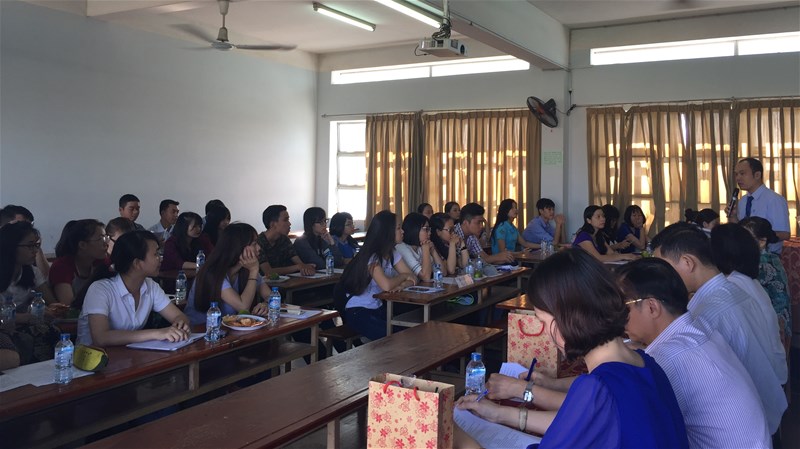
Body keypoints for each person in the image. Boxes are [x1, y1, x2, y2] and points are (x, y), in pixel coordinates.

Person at [455, 249, 688, 449]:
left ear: (565, 318)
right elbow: (580, 424)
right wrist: (499, 414)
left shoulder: (598, 388)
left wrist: (461, 441)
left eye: (544, 321)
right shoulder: (646, 363)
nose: (547, 334)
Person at [617, 258, 771, 449]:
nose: (618, 318)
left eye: (623, 307)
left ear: (652, 307)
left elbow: (635, 424)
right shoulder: (699, 327)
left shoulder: (666, 358)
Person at [651, 223, 788, 434]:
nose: (663, 279)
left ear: (688, 262)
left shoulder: (708, 311)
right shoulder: (731, 289)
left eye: (665, 269)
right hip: (767, 410)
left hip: (747, 426)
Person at [76, 231, 191, 346]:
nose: (161, 258)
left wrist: (180, 325)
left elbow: (179, 316)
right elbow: (101, 338)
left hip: (127, 354)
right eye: (156, 254)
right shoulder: (100, 289)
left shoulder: (150, 286)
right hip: (92, 356)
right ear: (137, 263)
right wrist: (156, 333)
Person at [337, 210, 417, 341]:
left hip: (377, 307)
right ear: (387, 232)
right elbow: (387, 285)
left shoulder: (392, 253)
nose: (402, 231)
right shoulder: (372, 256)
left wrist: (402, 285)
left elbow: (413, 277)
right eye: (398, 228)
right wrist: (403, 277)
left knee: (407, 332)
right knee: (396, 338)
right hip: (359, 311)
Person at [185, 223, 270, 325]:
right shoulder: (213, 273)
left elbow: (271, 296)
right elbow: (243, 307)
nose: (259, 248)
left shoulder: (246, 269)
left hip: (228, 329)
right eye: (254, 244)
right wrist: (254, 271)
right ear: (239, 247)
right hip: (201, 330)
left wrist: (265, 304)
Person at [0, 221, 60, 363]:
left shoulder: (32, 272)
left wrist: (50, 310)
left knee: (52, 331)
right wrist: (29, 316)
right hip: (4, 326)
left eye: (37, 245)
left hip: (19, 323)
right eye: (30, 246)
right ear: (11, 247)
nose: (35, 251)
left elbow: (51, 301)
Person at [741, 216, 793, 351]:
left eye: (744, 239)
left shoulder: (764, 263)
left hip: (771, 328)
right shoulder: (759, 259)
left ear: (762, 242)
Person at [727, 157, 790, 253]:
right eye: (736, 174)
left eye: (742, 173)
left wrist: (757, 236)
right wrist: (733, 217)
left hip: (767, 257)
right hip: (744, 254)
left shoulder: (774, 200)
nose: (738, 178)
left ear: (757, 175)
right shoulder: (743, 201)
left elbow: (785, 234)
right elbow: (741, 230)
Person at [49, 219, 109, 305]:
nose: (106, 243)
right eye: (101, 238)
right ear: (82, 245)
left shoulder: (102, 262)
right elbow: (69, 305)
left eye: (106, 237)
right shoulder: (61, 267)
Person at [257, 205, 315, 276]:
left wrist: (306, 268)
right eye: (285, 220)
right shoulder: (258, 243)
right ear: (272, 224)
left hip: (285, 280)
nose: (289, 224)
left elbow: (298, 261)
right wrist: (298, 267)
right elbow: (268, 272)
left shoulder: (284, 239)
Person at [573, 206, 638, 263]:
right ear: (588, 220)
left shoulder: (599, 235)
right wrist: (624, 256)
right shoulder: (583, 236)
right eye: (598, 217)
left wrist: (630, 257)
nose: (603, 219)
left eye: (603, 216)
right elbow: (598, 258)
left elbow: (611, 253)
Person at [0, 205, 50, 277]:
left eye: (29, 226)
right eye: (20, 226)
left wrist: (35, 246)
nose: (26, 231)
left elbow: (46, 277)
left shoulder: (27, 253)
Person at [395, 213, 444, 282]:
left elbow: (442, 273)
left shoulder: (420, 247)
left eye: (429, 229)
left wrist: (433, 251)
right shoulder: (401, 247)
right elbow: (426, 277)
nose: (430, 233)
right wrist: (426, 250)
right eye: (426, 229)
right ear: (414, 229)